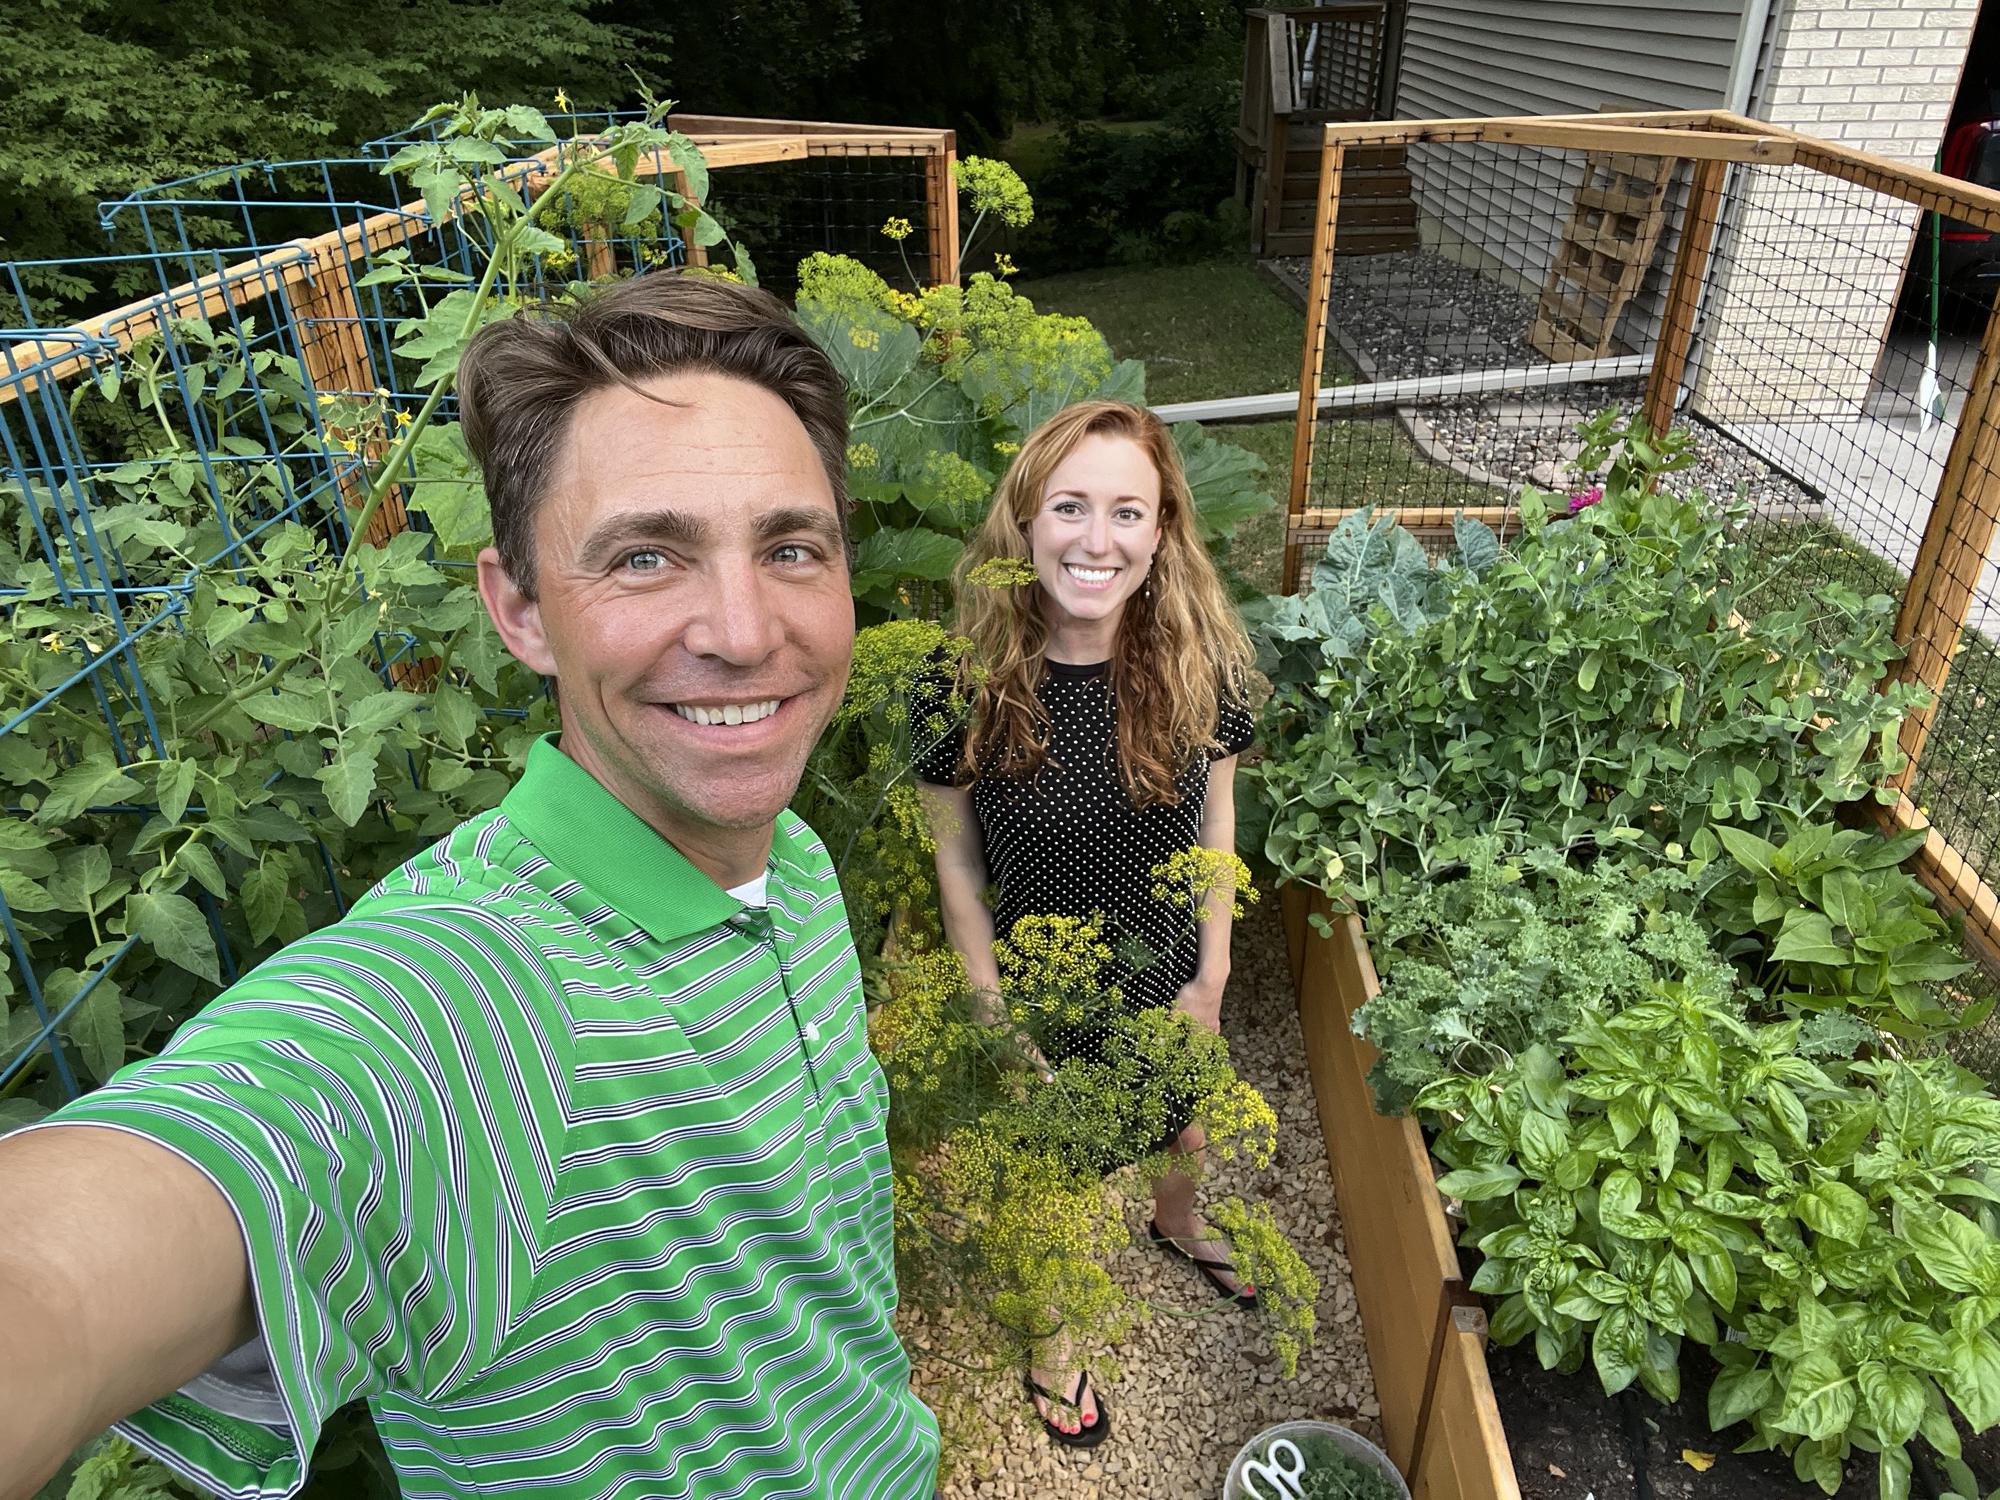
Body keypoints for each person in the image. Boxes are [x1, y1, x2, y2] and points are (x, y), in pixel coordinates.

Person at [0, 272, 941, 1500]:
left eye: (790, 548)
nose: (746, 630)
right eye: (645, 557)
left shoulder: (794, 864)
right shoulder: (482, 990)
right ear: (521, 611)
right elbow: (88, 1252)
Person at [913, 399, 1256, 1449]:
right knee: (1047, 1181)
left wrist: (1209, 977)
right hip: (1041, 996)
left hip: (1166, 975)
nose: (1095, 540)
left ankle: (1176, 1221)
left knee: (1187, 1123)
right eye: (1069, 507)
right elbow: (956, 862)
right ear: (1024, 522)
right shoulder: (957, 686)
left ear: (1161, 534)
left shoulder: (1199, 665)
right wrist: (989, 1009)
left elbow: (1217, 820)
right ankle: (1051, 1340)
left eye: (1126, 512)